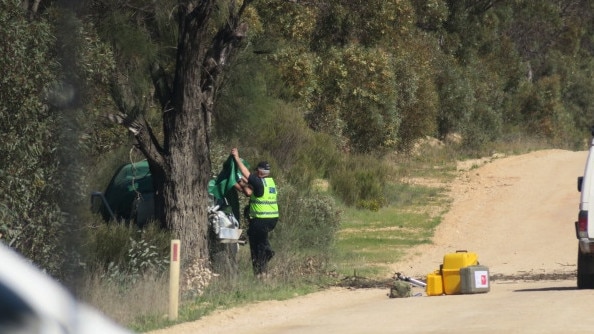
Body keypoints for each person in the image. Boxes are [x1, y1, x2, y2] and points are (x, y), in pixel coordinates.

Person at [231, 148, 279, 277]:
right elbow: (249, 190)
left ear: (259, 171)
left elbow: (245, 173)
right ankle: (261, 271)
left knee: (257, 245)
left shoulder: (258, 182)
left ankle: (261, 270)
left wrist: (236, 158)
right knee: (261, 242)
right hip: (272, 219)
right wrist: (238, 182)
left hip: (260, 219)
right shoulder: (270, 182)